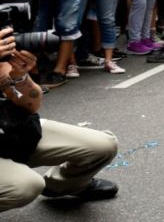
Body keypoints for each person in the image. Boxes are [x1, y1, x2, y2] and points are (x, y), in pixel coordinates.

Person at [0, 39, 119, 213]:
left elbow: (31, 105)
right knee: (25, 186)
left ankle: (64, 185)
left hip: (15, 132)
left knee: (103, 145)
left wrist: (20, 77)